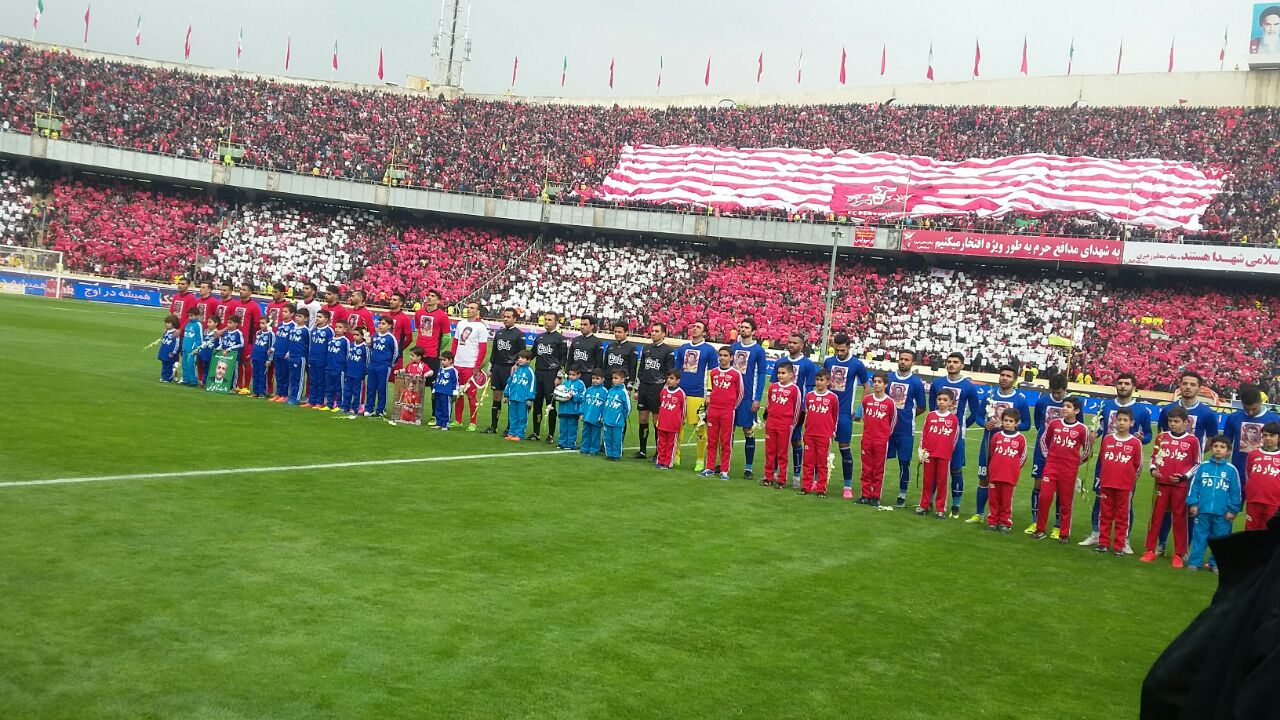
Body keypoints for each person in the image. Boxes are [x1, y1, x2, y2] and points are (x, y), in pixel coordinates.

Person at [1082, 372, 1155, 551]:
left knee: (1125, 505)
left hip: (1125, 466)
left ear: (1133, 387)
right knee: (1100, 499)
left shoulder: (1142, 411)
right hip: (1105, 463)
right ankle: (1096, 534)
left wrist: (1142, 437)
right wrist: (1093, 435)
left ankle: (1124, 540)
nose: (1123, 386)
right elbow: (1098, 427)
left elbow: (1149, 436)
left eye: (1127, 383)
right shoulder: (1105, 405)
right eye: (1120, 383)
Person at [1154, 370, 1220, 553]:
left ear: (1199, 388)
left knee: (1188, 510)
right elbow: (1161, 436)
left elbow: (1213, 439)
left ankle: (1184, 548)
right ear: (1179, 386)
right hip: (1167, 468)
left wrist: (1194, 454)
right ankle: (1161, 543)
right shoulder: (1168, 410)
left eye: (1192, 384)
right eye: (1185, 383)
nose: (1188, 387)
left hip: (1191, 471)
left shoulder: (1207, 413)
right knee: (1164, 509)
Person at [1140, 406, 1201, 566]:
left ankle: (1179, 554)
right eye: (1170, 421)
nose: (1172, 424)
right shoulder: (1162, 437)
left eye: (1176, 421)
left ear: (1186, 422)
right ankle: (1150, 549)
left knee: (1180, 518)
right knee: (1156, 517)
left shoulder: (1192, 440)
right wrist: (1153, 470)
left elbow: (1197, 463)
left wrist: (1184, 477)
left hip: (1180, 486)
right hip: (1161, 484)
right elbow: (1153, 457)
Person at [970, 365, 1030, 523]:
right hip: (987, 443)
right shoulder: (989, 396)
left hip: (1007, 449)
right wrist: (985, 423)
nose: (1004, 378)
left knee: (1003, 483)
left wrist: (1007, 426)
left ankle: (1001, 517)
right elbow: (978, 415)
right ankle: (979, 514)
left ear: (1014, 380)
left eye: (1008, 376)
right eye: (1002, 375)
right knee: (983, 478)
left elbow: (1027, 425)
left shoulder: (1020, 400)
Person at [1033, 396, 1092, 543]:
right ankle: (1040, 529)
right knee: (1045, 498)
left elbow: (1088, 451)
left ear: (1076, 411)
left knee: (1066, 502)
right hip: (1051, 467)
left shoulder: (1082, 429)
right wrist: (1048, 457)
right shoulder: (1054, 423)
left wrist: (1076, 463)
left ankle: (1064, 534)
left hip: (1069, 470)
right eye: (1064, 405)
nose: (1064, 408)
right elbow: (1043, 440)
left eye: (1068, 406)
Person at [929, 352, 981, 518]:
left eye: (955, 362)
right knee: (935, 469)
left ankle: (956, 505)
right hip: (938, 434)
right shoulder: (937, 383)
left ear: (962, 365)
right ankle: (929, 501)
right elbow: (932, 408)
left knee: (956, 469)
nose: (951, 364)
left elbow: (975, 412)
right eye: (949, 361)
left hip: (957, 436)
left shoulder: (968, 387)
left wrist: (961, 427)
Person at [823, 333, 871, 498]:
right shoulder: (829, 361)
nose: (839, 352)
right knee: (823, 448)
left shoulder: (857, 364)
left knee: (845, 449)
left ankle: (847, 486)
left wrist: (859, 410)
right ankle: (819, 481)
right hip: (827, 412)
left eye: (842, 350)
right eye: (837, 349)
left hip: (844, 414)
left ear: (849, 347)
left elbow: (866, 386)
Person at [1186, 436, 1243, 572]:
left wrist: (1233, 510)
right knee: (1199, 537)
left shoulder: (1231, 470)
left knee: (1220, 540)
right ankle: (1195, 562)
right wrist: (1193, 503)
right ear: (1211, 448)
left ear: (1228, 451)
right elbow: (1194, 487)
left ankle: (1216, 564)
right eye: (1216, 446)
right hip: (1203, 510)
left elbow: (1236, 492)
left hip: (1222, 513)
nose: (1218, 449)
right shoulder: (1203, 467)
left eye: (1222, 447)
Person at [1096, 408, 1143, 556]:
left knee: (1122, 517)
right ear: (1115, 421)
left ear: (1131, 423)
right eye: (1119, 419)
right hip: (1107, 483)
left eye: (1125, 420)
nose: (1122, 423)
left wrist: (1129, 481)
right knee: (1105, 515)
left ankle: (1119, 546)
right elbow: (1103, 460)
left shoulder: (1135, 443)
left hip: (1124, 486)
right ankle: (1103, 543)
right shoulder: (1107, 439)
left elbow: (1138, 466)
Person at [1026, 374, 1069, 535]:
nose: (1056, 395)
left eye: (1059, 393)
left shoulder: (1070, 403)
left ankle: (1058, 525)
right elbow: (1038, 421)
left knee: (1060, 487)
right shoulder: (1043, 400)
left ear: (1065, 390)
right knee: (1038, 484)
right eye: (1054, 392)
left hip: (1061, 452)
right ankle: (1035, 522)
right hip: (1041, 450)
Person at [772, 332, 816, 487]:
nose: (791, 345)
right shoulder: (780, 362)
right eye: (789, 342)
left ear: (802, 345)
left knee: (796, 441)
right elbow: (773, 384)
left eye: (795, 343)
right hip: (779, 409)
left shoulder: (808, 365)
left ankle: (797, 476)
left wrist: (804, 409)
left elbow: (809, 388)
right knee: (776, 442)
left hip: (796, 410)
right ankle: (774, 472)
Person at [675, 320, 719, 472]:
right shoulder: (683, 349)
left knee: (699, 428)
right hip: (681, 392)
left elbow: (712, 373)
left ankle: (700, 459)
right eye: (693, 326)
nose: (694, 329)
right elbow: (677, 370)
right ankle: (676, 455)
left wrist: (709, 393)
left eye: (698, 327)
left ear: (705, 332)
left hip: (698, 394)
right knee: (678, 426)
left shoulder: (709, 350)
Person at [888, 350, 928, 508]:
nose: (903, 362)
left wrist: (907, 416)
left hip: (905, 430)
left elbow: (922, 407)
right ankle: (874, 490)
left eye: (907, 360)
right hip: (887, 429)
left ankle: (902, 494)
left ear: (913, 363)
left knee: (904, 462)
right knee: (879, 460)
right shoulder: (889, 378)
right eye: (901, 359)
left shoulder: (916, 382)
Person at [730, 319, 768, 479]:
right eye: (742, 327)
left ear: (753, 331)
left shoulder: (758, 351)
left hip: (748, 398)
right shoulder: (734, 348)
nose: (743, 329)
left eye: (746, 327)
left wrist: (757, 398)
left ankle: (749, 468)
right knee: (728, 431)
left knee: (748, 431)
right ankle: (725, 463)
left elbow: (761, 375)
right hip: (731, 397)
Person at [634, 323, 676, 460]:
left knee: (657, 421)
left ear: (663, 334)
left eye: (657, 331)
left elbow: (669, 372)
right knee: (642, 419)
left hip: (657, 388)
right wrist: (637, 388)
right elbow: (641, 370)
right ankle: (642, 450)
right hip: (644, 387)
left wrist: (666, 390)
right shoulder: (646, 349)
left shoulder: (668, 351)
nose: (653, 333)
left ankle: (659, 452)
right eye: (652, 331)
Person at [701, 347, 744, 480]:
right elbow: (710, 390)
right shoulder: (713, 372)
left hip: (727, 411)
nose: (722, 358)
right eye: (720, 355)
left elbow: (740, 393)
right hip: (713, 410)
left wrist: (732, 407)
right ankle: (709, 467)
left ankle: (724, 470)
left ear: (731, 358)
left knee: (725, 441)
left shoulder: (736, 374)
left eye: (725, 355)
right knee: (712, 440)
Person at [1223, 384, 1280, 484]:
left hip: (1266, 473)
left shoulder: (1275, 420)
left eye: (1253, 409)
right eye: (1246, 408)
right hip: (1237, 471)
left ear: (1261, 402)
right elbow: (1225, 444)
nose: (1250, 412)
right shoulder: (1233, 418)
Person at [917, 391, 961, 517]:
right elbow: (924, 434)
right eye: (939, 399)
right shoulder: (930, 416)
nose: (941, 402)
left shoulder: (953, 419)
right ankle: (924, 505)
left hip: (944, 456)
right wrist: (921, 451)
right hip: (929, 454)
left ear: (951, 402)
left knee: (942, 482)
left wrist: (947, 451)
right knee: (927, 481)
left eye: (945, 400)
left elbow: (955, 438)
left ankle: (940, 508)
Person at [858, 372, 898, 505]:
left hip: (881, 441)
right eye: (874, 381)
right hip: (867, 439)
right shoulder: (867, 400)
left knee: (878, 468)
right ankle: (865, 495)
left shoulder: (890, 403)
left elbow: (892, 422)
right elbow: (865, 416)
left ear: (886, 384)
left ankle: (875, 496)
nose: (876, 384)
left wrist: (884, 436)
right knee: (866, 468)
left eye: (879, 382)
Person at [450, 301, 490, 431]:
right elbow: (455, 343)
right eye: (468, 307)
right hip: (457, 363)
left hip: (470, 365)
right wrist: (451, 359)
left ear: (478, 311)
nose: (468, 309)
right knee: (458, 393)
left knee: (471, 395)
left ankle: (473, 422)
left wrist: (477, 366)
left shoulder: (481, 327)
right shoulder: (461, 324)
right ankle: (458, 420)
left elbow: (483, 348)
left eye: (472, 308)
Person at [986, 408, 1028, 532]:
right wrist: (994, 467)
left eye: (1011, 421)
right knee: (993, 499)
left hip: (1010, 475)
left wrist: (1013, 469)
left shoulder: (1020, 438)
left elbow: (1023, 457)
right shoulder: (996, 436)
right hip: (995, 474)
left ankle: (1005, 522)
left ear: (1016, 423)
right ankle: (993, 521)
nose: (1008, 423)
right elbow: (992, 452)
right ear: (1002, 421)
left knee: (1006, 501)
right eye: (1005, 420)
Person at [486, 307, 526, 434]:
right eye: (504, 316)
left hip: (510, 369)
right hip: (498, 367)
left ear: (515, 319)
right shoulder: (499, 333)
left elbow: (523, 354)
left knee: (510, 398)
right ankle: (493, 426)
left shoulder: (519, 335)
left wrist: (517, 368)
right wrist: (491, 367)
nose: (506, 319)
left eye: (509, 317)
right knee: (496, 397)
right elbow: (494, 351)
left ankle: (510, 427)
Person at [799, 369, 839, 497]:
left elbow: (835, 416)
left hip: (824, 435)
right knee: (808, 462)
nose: (819, 382)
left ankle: (821, 488)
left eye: (822, 380)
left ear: (828, 382)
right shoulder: (809, 395)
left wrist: (833, 431)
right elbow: (806, 412)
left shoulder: (833, 398)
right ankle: (806, 486)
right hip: (810, 434)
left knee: (822, 463)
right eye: (817, 380)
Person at [530, 313, 569, 441]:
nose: (546, 322)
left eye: (550, 320)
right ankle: (536, 432)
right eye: (545, 319)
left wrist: (559, 376)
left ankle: (551, 434)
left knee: (551, 405)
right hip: (538, 373)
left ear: (556, 322)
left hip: (551, 375)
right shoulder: (539, 337)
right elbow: (532, 354)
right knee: (537, 404)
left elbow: (563, 359)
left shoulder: (560, 339)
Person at [764, 361, 803, 488]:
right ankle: (768, 476)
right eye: (779, 373)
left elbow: (797, 409)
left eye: (783, 373)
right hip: (771, 423)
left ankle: (782, 479)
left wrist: (792, 424)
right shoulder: (773, 387)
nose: (780, 375)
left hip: (785, 424)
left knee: (783, 452)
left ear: (791, 374)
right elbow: (769, 403)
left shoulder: (794, 389)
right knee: (769, 450)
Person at [1244, 422, 1280, 530]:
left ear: (1279, 438)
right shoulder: (1252, 454)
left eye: (1272, 435)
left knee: (1268, 534)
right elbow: (1249, 475)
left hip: (1274, 503)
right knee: (1250, 532)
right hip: (1253, 500)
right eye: (1265, 435)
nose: (1268, 438)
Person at [230, 282, 262, 394]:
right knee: (237, 362)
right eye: (240, 289)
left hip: (248, 339)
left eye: (244, 289)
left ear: (250, 292)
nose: (241, 291)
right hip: (236, 338)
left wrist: (251, 338)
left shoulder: (254, 306)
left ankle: (247, 386)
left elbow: (257, 324)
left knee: (246, 362)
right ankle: (238, 385)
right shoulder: (236, 304)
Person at [414, 289, 452, 377]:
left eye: (433, 296)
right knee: (416, 383)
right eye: (428, 295)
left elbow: (447, 337)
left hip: (432, 355)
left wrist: (437, 348)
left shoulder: (443, 316)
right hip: (418, 353)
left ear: (438, 301)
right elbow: (418, 329)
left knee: (432, 382)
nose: (429, 297)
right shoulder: (419, 313)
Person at [655, 370, 687, 470]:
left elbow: (683, 409)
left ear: (678, 381)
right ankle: (660, 460)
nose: (669, 380)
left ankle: (668, 462)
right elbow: (661, 404)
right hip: (662, 423)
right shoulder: (663, 391)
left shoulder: (680, 393)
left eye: (672, 378)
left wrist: (680, 422)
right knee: (661, 443)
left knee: (671, 444)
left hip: (673, 424)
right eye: (668, 378)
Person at [367, 316, 398, 417]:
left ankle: (380, 410)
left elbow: (395, 353)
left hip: (384, 366)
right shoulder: (375, 336)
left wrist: (390, 364)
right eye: (379, 323)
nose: (380, 325)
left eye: (383, 324)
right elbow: (371, 349)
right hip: (373, 364)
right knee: (371, 387)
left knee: (382, 388)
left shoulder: (391, 338)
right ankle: (369, 408)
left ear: (389, 326)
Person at [503, 351, 537, 441]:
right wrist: (506, 394)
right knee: (512, 416)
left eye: (523, 358)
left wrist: (530, 398)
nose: (520, 360)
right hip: (513, 397)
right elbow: (509, 382)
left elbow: (532, 386)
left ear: (528, 360)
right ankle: (511, 433)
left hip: (523, 399)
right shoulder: (516, 370)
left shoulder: (530, 372)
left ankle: (519, 434)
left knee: (522, 417)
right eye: (519, 358)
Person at [305, 310, 334, 408]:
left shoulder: (329, 331)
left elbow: (331, 347)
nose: (317, 318)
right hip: (313, 359)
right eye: (317, 316)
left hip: (323, 360)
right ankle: (311, 401)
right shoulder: (313, 330)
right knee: (312, 381)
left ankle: (320, 402)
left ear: (326, 319)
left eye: (320, 317)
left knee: (321, 382)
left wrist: (328, 360)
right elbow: (310, 345)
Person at [602, 369, 632, 461]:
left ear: (622, 380)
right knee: (607, 438)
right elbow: (606, 404)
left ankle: (615, 455)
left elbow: (628, 407)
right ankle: (609, 454)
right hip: (607, 420)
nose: (614, 380)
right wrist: (604, 416)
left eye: (616, 378)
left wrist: (622, 417)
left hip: (617, 422)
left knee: (616, 440)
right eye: (613, 378)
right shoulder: (610, 390)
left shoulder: (623, 392)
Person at [555, 368, 587, 449]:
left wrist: (573, 396)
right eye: (570, 375)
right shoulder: (565, 383)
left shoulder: (580, 384)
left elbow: (583, 397)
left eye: (573, 375)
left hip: (573, 411)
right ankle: (562, 443)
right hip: (563, 410)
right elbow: (558, 393)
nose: (571, 376)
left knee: (572, 428)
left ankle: (571, 444)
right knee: (563, 428)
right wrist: (558, 396)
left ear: (579, 375)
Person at [568, 316, 605, 385]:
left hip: (588, 375)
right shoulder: (575, 340)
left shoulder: (597, 342)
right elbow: (570, 359)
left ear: (592, 326)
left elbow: (599, 363)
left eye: (585, 324)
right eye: (581, 324)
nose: (582, 327)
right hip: (574, 374)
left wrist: (595, 378)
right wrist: (568, 373)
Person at [285, 308, 311, 405]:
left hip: (300, 357)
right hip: (291, 356)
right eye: (296, 316)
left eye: (300, 316)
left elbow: (309, 345)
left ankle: (297, 397)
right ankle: (291, 395)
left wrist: (307, 357)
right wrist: (288, 352)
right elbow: (290, 342)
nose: (297, 318)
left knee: (299, 378)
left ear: (306, 319)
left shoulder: (306, 330)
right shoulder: (292, 329)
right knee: (292, 378)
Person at [270, 304, 296, 402]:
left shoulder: (293, 326)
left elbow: (293, 341)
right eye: (282, 311)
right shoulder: (280, 324)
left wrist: (289, 351)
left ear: (292, 314)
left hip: (285, 354)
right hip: (278, 353)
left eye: (286, 311)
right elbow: (278, 338)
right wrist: (273, 348)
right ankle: (278, 393)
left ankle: (284, 395)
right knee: (278, 374)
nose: (283, 313)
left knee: (285, 375)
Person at [384, 291, 414, 373]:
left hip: (396, 355)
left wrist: (398, 348)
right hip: (382, 352)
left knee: (396, 380)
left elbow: (409, 338)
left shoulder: (404, 318)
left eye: (394, 300)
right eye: (391, 299)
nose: (391, 301)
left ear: (400, 303)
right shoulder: (384, 315)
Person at [342, 327, 369, 417]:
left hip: (359, 373)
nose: (355, 336)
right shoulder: (351, 344)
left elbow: (368, 361)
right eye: (354, 334)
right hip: (349, 371)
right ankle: (345, 407)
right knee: (347, 390)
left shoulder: (365, 347)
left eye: (357, 335)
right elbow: (347, 357)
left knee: (357, 392)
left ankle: (355, 408)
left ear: (363, 336)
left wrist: (365, 371)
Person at [580, 370, 607, 457]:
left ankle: (594, 450)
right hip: (587, 417)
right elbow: (583, 402)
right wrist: (581, 413)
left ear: (603, 379)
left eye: (597, 378)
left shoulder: (604, 392)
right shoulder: (588, 390)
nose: (595, 380)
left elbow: (605, 406)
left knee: (595, 435)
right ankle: (584, 448)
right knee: (585, 433)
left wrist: (602, 416)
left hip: (597, 419)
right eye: (593, 378)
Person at [325, 319, 350, 412]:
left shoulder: (345, 341)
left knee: (340, 388)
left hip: (339, 368)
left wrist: (345, 367)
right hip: (329, 367)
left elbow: (348, 355)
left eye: (340, 327)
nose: (337, 329)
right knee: (329, 387)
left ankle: (340, 405)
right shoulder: (330, 339)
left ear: (345, 329)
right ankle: (329, 404)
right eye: (336, 327)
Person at [604, 322, 638, 390]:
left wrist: (630, 384)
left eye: (619, 332)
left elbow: (633, 368)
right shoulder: (610, 346)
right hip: (608, 380)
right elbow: (605, 364)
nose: (616, 334)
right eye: (615, 331)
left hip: (622, 382)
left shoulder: (632, 348)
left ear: (626, 332)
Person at [432, 351, 459, 430]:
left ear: (450, 360)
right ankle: (439, 423)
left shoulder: (453, 371)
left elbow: (455, 382)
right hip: (438, 392)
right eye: (441, 360)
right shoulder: (440, 369)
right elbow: (437, 380)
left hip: (446, 393)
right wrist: (434, 391)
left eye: (444, 360)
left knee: (446, 409)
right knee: (438, 408)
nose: (442, 362)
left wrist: (455, 393)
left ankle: (445, 424)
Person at [250, 317, 274, 398]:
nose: (261, 325)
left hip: (263, 358)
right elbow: (256, 344)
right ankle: (255, 391)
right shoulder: (258, 333)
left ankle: (262, 392)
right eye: (260, 323)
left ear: (268, 324)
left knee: (262, 375)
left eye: (263, 323)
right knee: (255, 375)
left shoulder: (270, 334)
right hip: (255, 357)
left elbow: (272, 347)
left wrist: (269, 359)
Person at [157, 315, 181, 382]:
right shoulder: (166, 331)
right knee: (164, 364)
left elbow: (177, 343)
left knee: (169, 365)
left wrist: (173, 351)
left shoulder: (175, 333)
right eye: (166, 323)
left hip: (170, 353)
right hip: (165, 351)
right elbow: (163, 340)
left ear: (174, 323)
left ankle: (168, 378)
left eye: (169, 323)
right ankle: (163, 376)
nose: (167, 324)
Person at [197, 315, 218, 386]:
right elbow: (203, 342)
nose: (208, 324)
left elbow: (219, 343)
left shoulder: (217, 333)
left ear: (216, 323)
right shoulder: (206, 331)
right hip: (204, 353)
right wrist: (198, 349)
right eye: (208, 322)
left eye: (210, 322)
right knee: (205, 367)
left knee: (210, 368)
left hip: (211, 353)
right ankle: (204, 381)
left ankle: (207, 382)